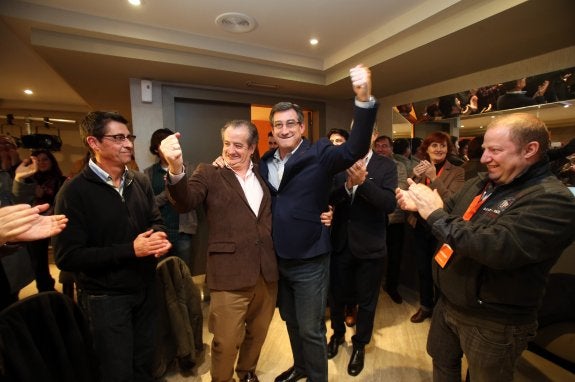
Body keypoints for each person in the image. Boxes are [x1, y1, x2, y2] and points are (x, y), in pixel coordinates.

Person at [396, 112, 575, 381]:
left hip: (494, 320)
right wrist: (420, 207)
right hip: (449, 302)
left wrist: (433, 213)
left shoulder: (552, 200)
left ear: (530, 150)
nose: (484, 158)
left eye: (495, 150)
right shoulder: (481, 183)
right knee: (443, 363)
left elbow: (495, 247)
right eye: (485, 149)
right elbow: (449, 212)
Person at [262, 64, 377, 382]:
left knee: (312, 329)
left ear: (301, 127)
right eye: (278, 125)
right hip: (278, 259)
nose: (283, 130)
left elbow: (355, 149)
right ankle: (301, 367)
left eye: (290, 124)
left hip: (311, 258)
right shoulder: (264, 161)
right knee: (291, 321)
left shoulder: (321, 152)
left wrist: (364, 99)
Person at [53, 111, 171, 382]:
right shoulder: (74, 192)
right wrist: (131, 250)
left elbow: (156, 221)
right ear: (94, 143)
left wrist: (159, 239)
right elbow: (67, 256)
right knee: (115, 369)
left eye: (129, 136)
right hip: (106, 299)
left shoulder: (138, 181)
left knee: (145, 362)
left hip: (146, 288)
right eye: (118, 138)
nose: (128, 143)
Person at [159, 120, 278, 382]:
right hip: (228, 274)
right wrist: (176, 168)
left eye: (238, 145)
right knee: (225, 341)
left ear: (252, 148)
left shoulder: (263, 173)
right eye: (227, 144)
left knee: (257, 334)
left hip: (266, 272)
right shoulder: (209, 172)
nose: (231, 150)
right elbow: (185, 201)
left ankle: (247, 374)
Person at [327, 129, 396, 376]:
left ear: (373, 133)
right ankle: (336, 335)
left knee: (367, 302)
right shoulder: (339, 161)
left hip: (371, 246)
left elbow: (389, 204)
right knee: (336, 296)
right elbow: (329, 197)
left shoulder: (386, 165)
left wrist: (363, 183)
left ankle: (359, 345)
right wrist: (347, 185)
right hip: (341, 243)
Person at [408, 132, 464, 324]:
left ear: (448, 150)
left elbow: (452, 201)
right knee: (423, 269)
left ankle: (442, 310)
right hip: (420, 226)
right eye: (434, 146)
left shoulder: (457, 171)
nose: (439, 149)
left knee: (441, 269)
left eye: (443, 146)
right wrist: (415, 177)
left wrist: (434, 178)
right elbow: (410, 195)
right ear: (427, 149)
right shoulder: (419, 169)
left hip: (443, 228)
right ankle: (425, 306)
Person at [12, 149, 67, 292]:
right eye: (38, 160)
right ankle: (46, 290)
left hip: (56, 222)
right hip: (34, 225)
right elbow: (19, 201)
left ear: (52, 162)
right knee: (38, 261)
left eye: (45, 159)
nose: (42, 163)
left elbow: (62, 202)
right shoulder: (28, 180)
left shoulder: (60, 180)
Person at [144, 128, 198, 268]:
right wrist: (172, 188)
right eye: (164, 147)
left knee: (183, 272)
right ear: (156, 150)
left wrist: (176, 184)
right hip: (159, 232)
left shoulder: (190, 169)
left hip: (183, 231)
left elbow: (190, 197)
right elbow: (149, 203)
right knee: (162, 273)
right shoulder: (148, 173)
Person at [373, 135, 408, 303]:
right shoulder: (370, 164)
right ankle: (373, 287)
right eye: (377, 146)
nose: (380, 149)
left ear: (391, 149)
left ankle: (392, 287)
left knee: (394, 256)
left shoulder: (399, 166)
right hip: (374, 218)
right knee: (374, 257)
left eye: (384, 146)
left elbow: (399, 188)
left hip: (395, 218)